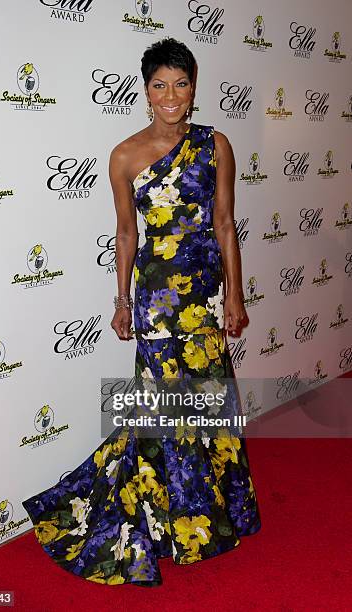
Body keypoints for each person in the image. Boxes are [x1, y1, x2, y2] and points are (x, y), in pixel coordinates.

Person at [22, 37, 261, 587]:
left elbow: (225, 224)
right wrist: (122, 299)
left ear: (193, 88)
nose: (171, 95)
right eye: (160, 85)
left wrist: (235, 294)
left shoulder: (216, 144)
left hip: (202, 293)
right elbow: (127, 234)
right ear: (146, 92)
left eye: (181, 83)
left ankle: (215, 513)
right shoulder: (125, 155)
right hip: (155, 297)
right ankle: (168, 526)